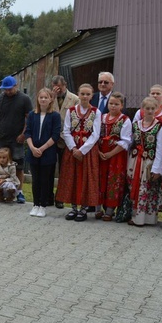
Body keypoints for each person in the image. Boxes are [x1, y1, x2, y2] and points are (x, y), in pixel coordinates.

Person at [56, 83, 101, 221]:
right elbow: (66, 130)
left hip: (87, 151)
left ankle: (84, 209)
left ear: (92, 96)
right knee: (72, 177)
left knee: (86, 178)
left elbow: (95, 134)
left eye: (88, 94)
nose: (85, 97)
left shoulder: (96, 112)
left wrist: (82, 150)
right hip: (73, 149)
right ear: (78, 94)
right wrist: (73, 148)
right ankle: (74, 207)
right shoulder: (71, 110)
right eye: (83, 94)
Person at [0, 76, 32, 203]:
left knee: (18, 167)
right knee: (0, 165)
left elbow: (28, 118)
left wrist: (24, 134)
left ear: (16, 86)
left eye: (10, 89)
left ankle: (19, 192)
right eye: (5, 90)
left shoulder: (24, 99)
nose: (7, 92)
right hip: (2, 138)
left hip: (17, 139)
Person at [127, 96, 162, 226]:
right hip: (134, 160)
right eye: (147, 108)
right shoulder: (135, 125)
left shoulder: (160, 127)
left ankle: (145, 218)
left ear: (157, 109)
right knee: (134, 186)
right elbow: (130, 142)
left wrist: (157, 168)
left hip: (149, 162)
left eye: (152, 108)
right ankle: (134, 215)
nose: (149, 111)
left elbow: (160, 148)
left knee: (146, 189)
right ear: (142, 109)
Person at [24, 88, 62, 217]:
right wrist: (33, 148)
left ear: (51, 99)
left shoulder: (55, 116)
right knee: (36, 180)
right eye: (41, 97)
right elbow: (27, 132)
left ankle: (43, 205)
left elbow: (55, 135)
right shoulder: (32, 114)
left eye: (46, 97)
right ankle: (35, 204)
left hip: (47, 152)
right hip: (33, 151)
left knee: (45, 180)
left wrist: (42, 148)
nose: (43, 99)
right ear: (38, 99)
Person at [96, 92, 131, 221]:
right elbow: (95, 135)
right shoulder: (102, 117)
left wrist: (110, 153)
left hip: (116, 156)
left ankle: (110, 210)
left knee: (113, 181)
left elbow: (125, 141)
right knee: (99, 180)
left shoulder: (125, 120)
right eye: (111, 103)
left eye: (116, 104)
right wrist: (99, 152)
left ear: (121, 105)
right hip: (100, 155)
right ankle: (97, 208)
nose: (113, 106)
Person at [50, 75, 80, 208]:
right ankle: (48, 196)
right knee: (49, 169)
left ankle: (60, 197)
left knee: (63, 170)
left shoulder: (74, 99)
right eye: (55, 88)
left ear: (65, 85)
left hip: (65, 139)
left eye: (60, 88)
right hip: (51, 139)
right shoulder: (49, 97)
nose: (58, 90)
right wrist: (52, 97)